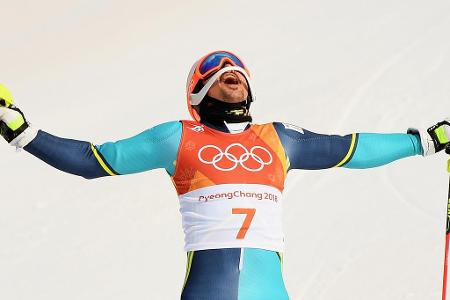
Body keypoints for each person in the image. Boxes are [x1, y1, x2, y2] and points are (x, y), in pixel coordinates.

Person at [0, 50, 449, 300]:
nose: (231, 73)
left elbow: (350, 148)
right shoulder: (175, 137)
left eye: (238, 70)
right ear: (198, 91)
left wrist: (425, 141)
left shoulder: (279, 139)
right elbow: (92, 160)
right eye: (217, 71)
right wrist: (23, 132)